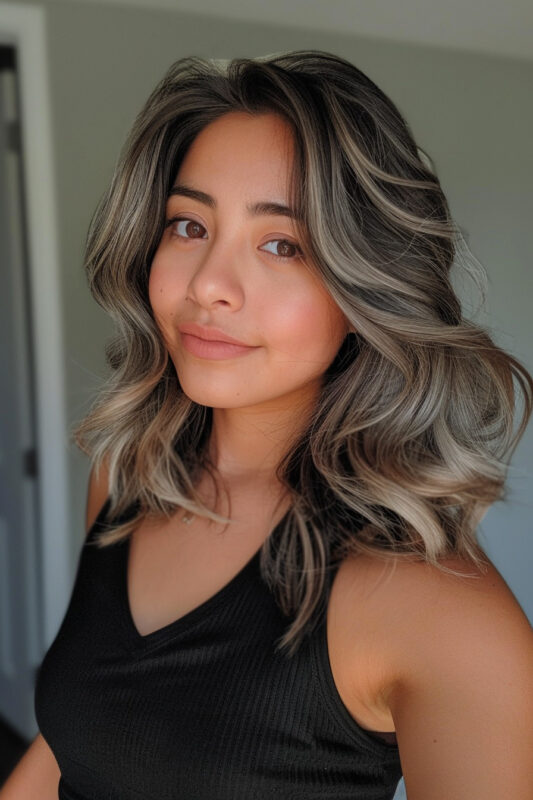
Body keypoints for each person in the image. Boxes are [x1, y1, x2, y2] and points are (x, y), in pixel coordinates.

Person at [2, 49, 533, 800]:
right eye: (187, 226)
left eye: (281, 245)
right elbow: (73, 748)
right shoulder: (127, 485)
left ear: (364, 287)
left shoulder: (438, 608)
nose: (208, 286)